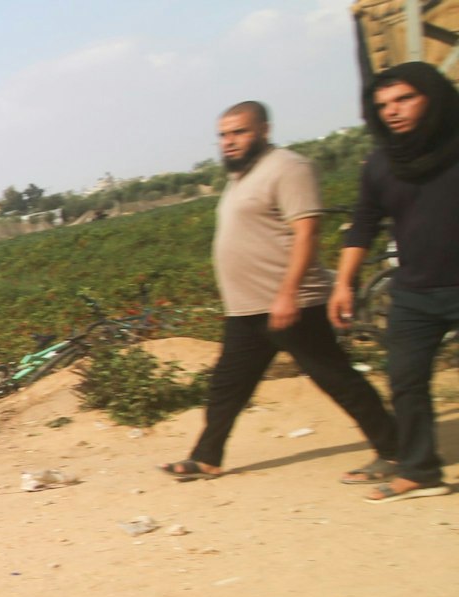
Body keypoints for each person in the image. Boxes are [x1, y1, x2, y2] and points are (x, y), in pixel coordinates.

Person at [156, 100, 397, 485]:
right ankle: (206, 458)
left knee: (334, 377)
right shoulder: (240, 177)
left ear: (264, 130)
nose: (229, 142)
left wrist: (287, 294)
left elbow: (307, 232)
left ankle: (395, 451)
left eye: (239, 132)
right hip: (248, 309)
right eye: (223, 135)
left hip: (293, 303)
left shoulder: (288, 168)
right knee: (226, 385)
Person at [331, 63, 459, 503]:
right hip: (415, 292)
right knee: (405, 381)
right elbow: (363, 224)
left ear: (433, 96)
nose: (392, 111)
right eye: (383, 104)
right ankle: (421, 471)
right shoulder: (382, 163)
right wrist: (344, 283)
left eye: (404, 98)